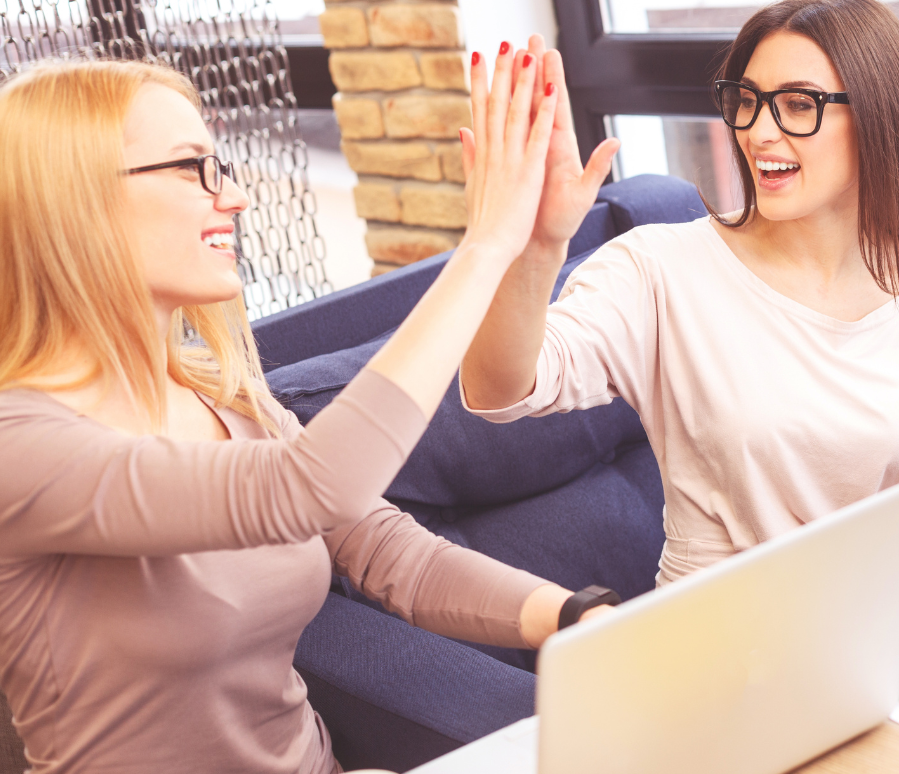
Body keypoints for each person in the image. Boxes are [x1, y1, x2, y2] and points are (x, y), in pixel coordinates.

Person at [0, 49, 603, 774]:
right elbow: (306, 489)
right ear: (73, 200)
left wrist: (580, 619)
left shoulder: (227, 400)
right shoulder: (22, 444)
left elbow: (393, 556)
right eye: (193, 167)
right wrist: (484, 249)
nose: (234, 198)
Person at [460, 0, 899, 586]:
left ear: (880, 118)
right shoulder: (658, 269)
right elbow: (499, 391)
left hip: (890, 628)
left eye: (799, 104)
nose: (760, 131)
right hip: (721, 644)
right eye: (748, 101)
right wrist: (534, 249)